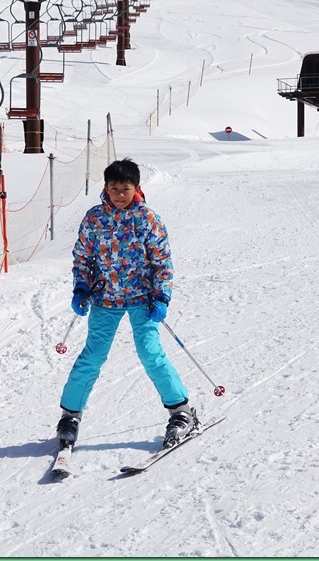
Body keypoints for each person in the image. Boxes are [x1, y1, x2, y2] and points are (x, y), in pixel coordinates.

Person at [56, 158, 197, 450]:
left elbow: (162, 262)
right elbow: (83, 257)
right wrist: (81, 287)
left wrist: (161, 295)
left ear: (137, 189)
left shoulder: (148, 220)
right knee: (92, 356)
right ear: (105, 188)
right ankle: (70, 415)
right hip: (105, 299)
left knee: (150, 352)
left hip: (141, 300)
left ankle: (181, 411)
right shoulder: (94, 218)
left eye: (126, 189)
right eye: (114, 188)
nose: (120, 194)